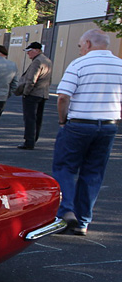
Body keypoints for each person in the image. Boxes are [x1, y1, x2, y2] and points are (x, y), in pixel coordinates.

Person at [51, 28, 122, 235]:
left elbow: (63, 97)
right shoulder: (120, 65)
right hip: (108, 125)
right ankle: (83, 221)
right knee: (93, 173)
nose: (80, 49)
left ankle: (66, 212)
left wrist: (63, 121)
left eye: (81, 45)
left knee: (65, 168)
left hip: (79, 124)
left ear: (88, 43)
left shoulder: (80, 64)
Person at [14, 41, 52, 149]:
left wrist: (26, 92)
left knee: (29, 118)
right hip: (43, 93)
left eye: (29, 51)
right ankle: (34, 139)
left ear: (37, 50)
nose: (28, 54)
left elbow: (31, 79)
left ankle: (29, 141)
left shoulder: (37, 61)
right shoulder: (47, 61)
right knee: (38, 118)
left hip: (33, 94)